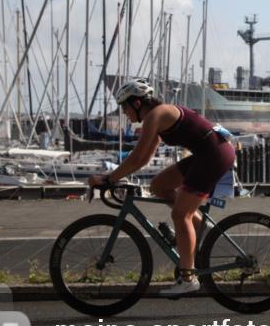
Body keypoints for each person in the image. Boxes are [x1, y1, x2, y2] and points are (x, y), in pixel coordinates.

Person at [88, 79, 236, 297]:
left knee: (179, 214)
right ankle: (199, 227)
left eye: (124, 107)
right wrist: (113, 178)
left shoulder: (156, 115)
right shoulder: (156, 118)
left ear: (137, 104)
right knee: (159, 185)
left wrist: (108, 178)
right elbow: (143, 159)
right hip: (207, 153)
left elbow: (137, 156)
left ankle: (188, 279)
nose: (124, 113)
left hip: (213, 155)